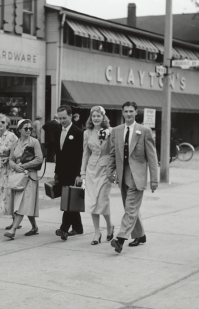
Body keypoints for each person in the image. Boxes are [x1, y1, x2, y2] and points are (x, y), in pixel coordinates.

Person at [107, 101, 158, 254]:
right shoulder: (116, 131)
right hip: (123, 175)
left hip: (138, 176)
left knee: (130, 208)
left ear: (136, 112)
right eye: (126, 111)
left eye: (131, 111)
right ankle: (140, 235)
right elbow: (112, 154)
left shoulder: (144, 131)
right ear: (122, 113)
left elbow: (152, 157)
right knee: (131, 208)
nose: (128, 114)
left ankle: (120, 239)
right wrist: (110, 172)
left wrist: (154, 179)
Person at [77, 106, 113, 245]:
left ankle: (109, 225)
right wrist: (82, 172)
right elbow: (85, 154)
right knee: (92, 203)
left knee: (102, 201)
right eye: (93, 116)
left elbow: (113, 152)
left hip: (105, 170)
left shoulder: (110, 131)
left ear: (103, 117)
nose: (96, 118)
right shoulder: (87, 133)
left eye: (98, 116)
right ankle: (97, 232)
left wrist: (113, 170)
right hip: (92, 170)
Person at [4, 119, 43, 239]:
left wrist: (24, 166)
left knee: (23, 204)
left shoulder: (34, 142)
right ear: (19, 129)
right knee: (25, 204)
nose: (29, 130)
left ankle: (13, 229)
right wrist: (15, 166)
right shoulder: (15, 143)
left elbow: (39, 159)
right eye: (26, 128)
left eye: (30, 128)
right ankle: (34, 227)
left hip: (30, 177)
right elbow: (10, 159)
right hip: (18, 178)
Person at [54, 105, 84, 240]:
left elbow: (80, 155)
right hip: (62, 172)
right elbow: (58, 155)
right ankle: (78, 227)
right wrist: (56, 172)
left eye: (64, 118)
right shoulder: (57, 131)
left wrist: (79, 174)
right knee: (69, 199)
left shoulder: (78, 132)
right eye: (60, 118)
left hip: (73, 172)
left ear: (71, 116)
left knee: (69, 200)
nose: (62, 121)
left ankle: (63, 228)